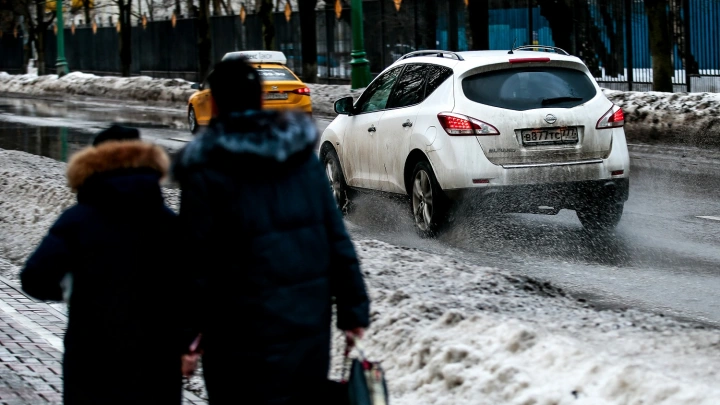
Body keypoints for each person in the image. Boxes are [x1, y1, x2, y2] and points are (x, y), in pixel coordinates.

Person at [172, 57, 370, 404]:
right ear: (260, 99)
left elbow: (194, 264)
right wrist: (353, 311)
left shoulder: (204, 168)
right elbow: (335, 235)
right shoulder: (301, 156)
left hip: (235, 336)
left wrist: (187, 339)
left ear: (214, 103)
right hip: (305, 326)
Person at [20, 125, 194, 405]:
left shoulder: (77, 221)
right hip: (156, 359)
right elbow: (192, 289)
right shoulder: (168, 223)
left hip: (92, 355)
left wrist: (73, 291)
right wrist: (186, 345)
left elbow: (35, 278)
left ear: (93, 162)